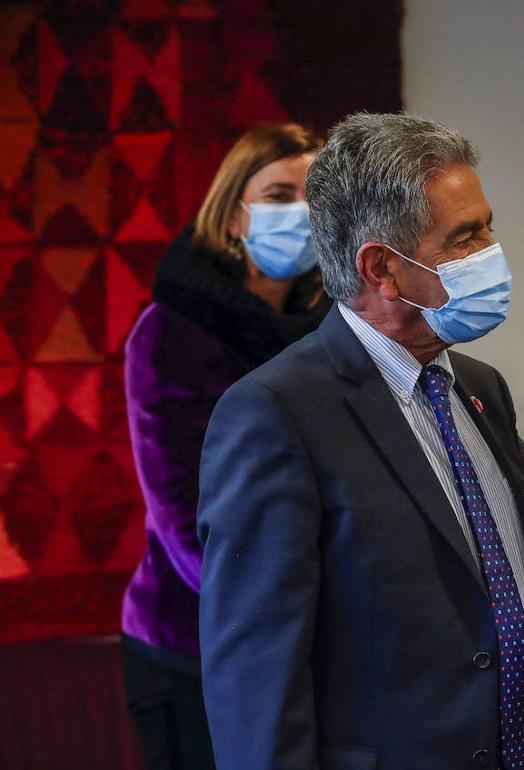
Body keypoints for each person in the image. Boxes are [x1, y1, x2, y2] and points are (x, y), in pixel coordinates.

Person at [195, 113, 524, 770]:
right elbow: (258, 683)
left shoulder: (478, 387)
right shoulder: (276, 414)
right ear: (381, 268)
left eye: (488, 227)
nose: (492, 251)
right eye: (465, 238)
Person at [120, 122, 330, 769]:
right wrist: (294, 620)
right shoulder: (173, 331)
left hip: (312, 640)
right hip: (198, 645)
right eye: (276, 195)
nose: (297, 213)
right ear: (234, 216)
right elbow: (182, 514)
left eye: (313, 196)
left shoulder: (334, 329)